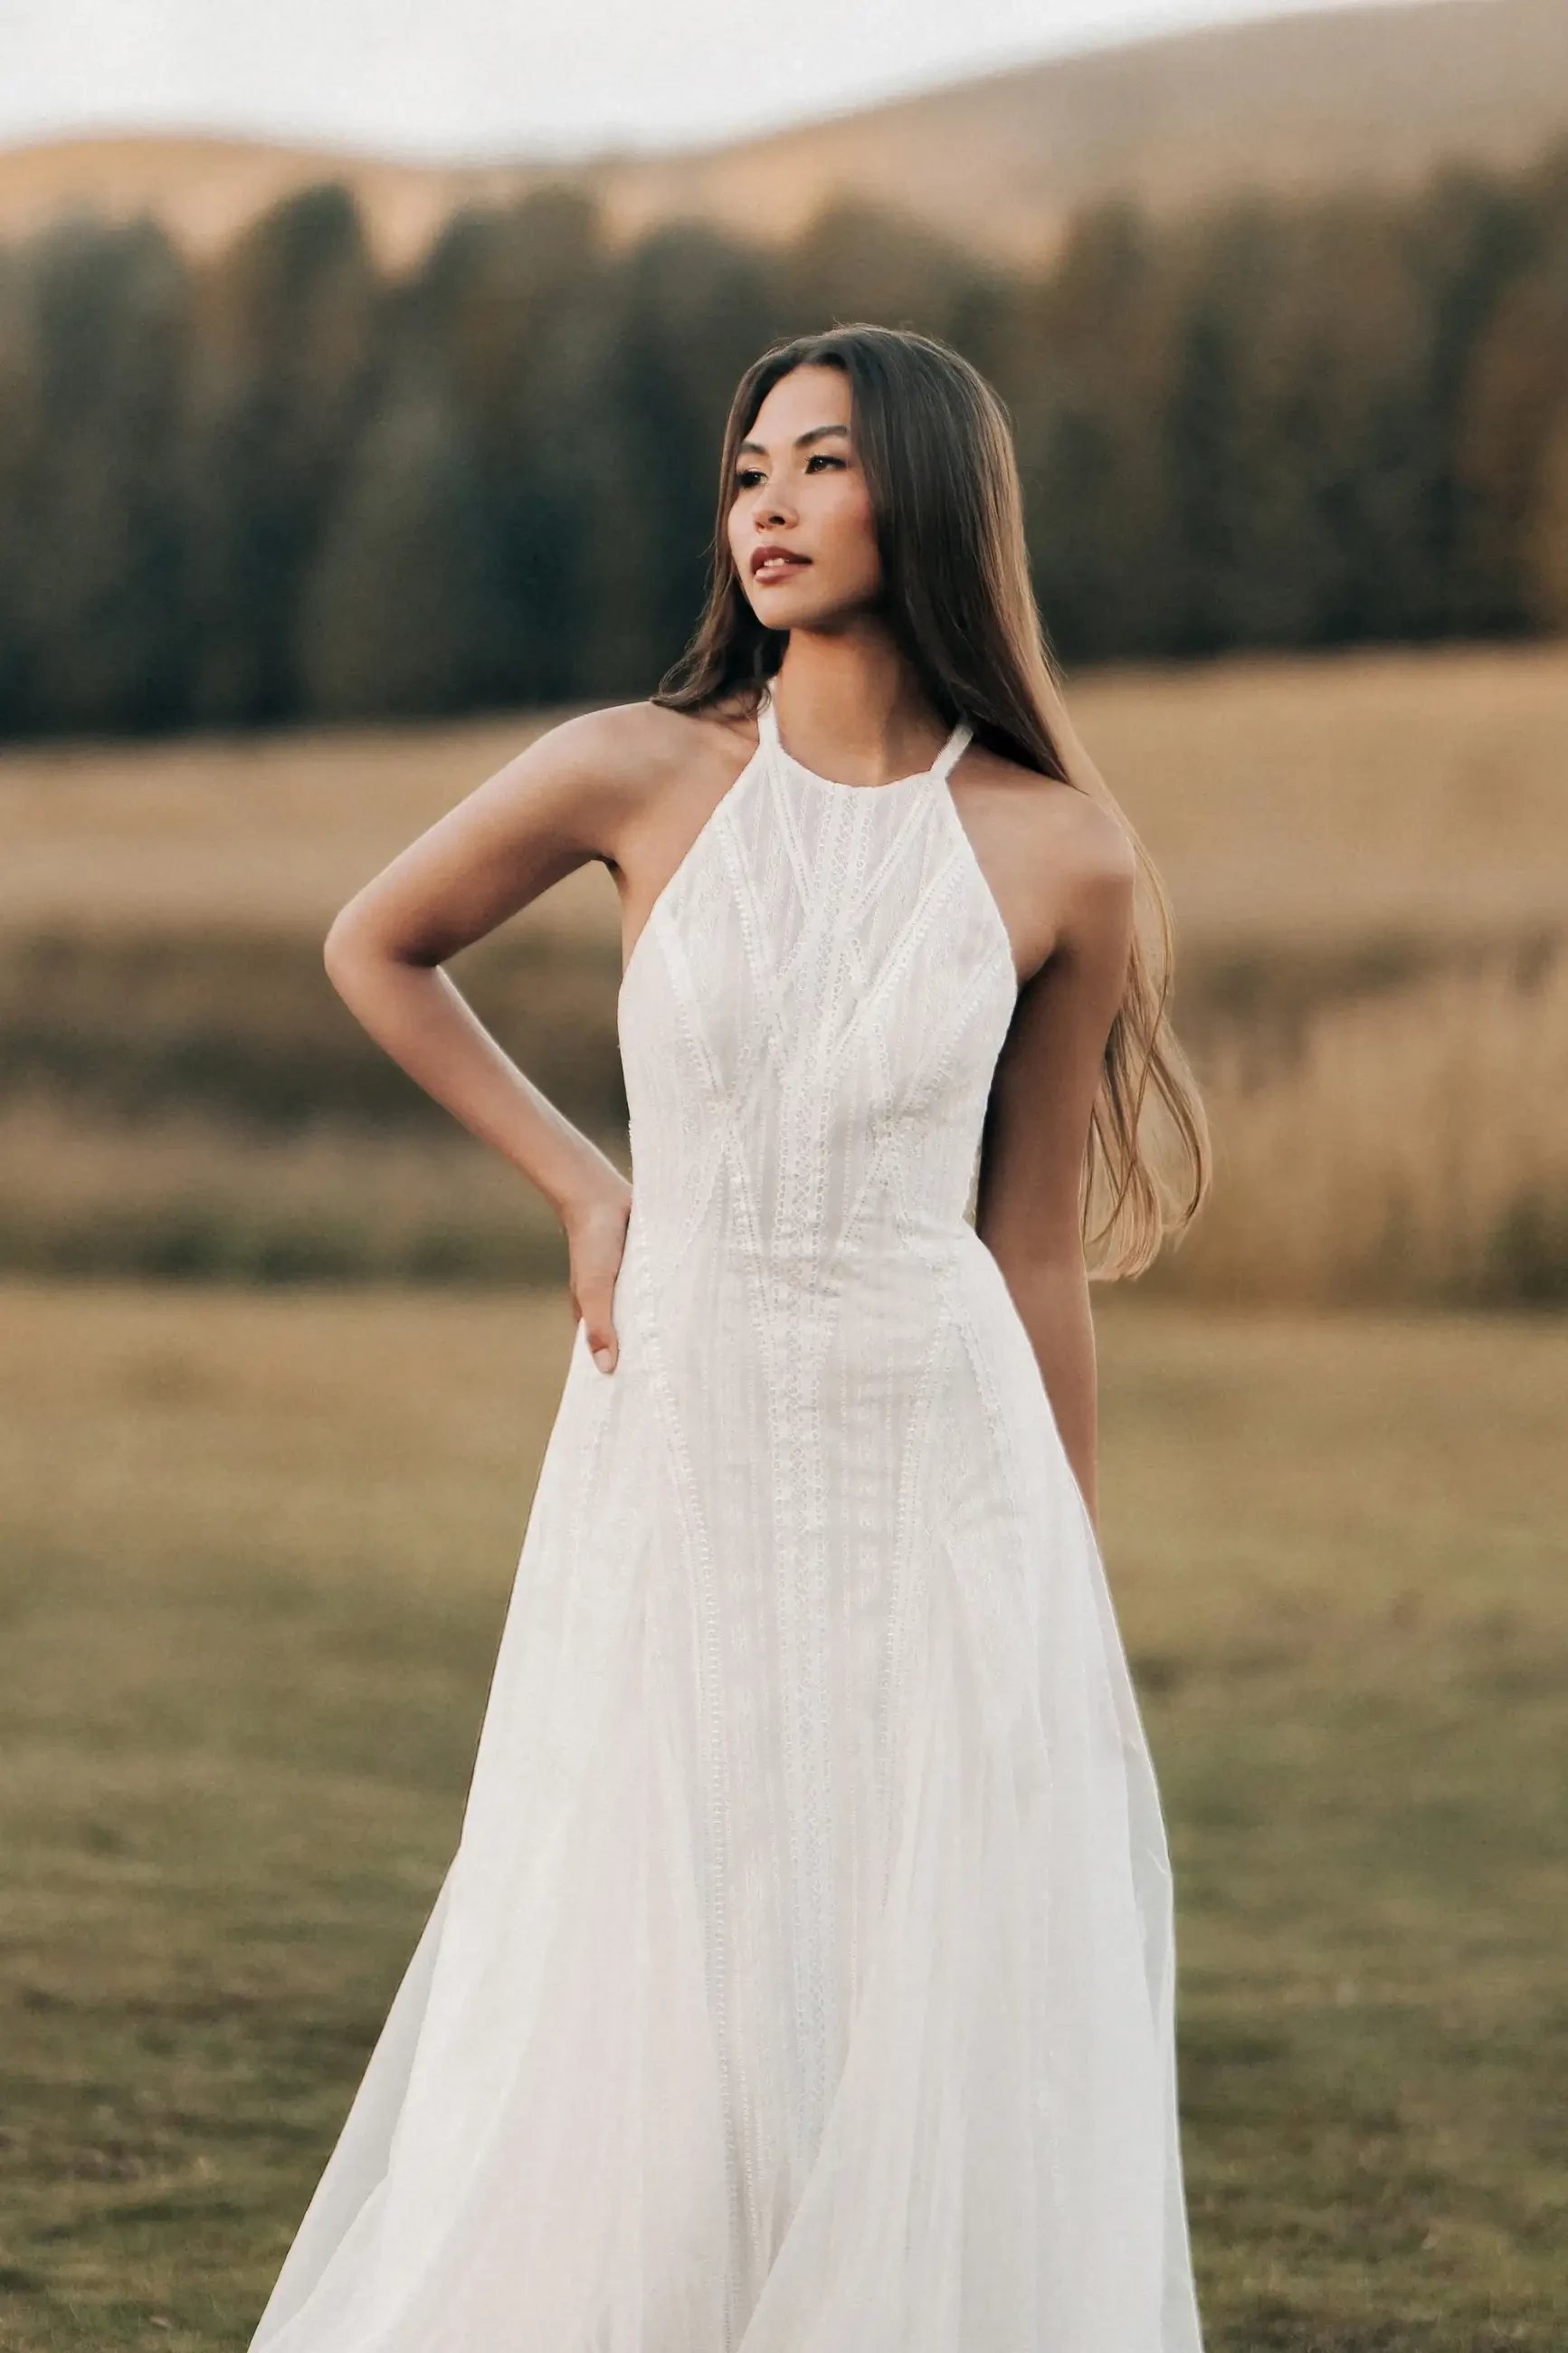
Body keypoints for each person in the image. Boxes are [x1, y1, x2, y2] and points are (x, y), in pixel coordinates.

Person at [250, 322, 1211, 2352]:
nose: (766, 505)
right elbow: (376, 944)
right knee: (651, 1933)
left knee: (907, 1957)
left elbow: (1032, 1252)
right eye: (746, 469)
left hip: (931, 1448)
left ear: (927, 494)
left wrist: (1062, 1585)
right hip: (676, 1433)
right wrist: (584, 1188)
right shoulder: (642, 768)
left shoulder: (1062, 849)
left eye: (821, 462)